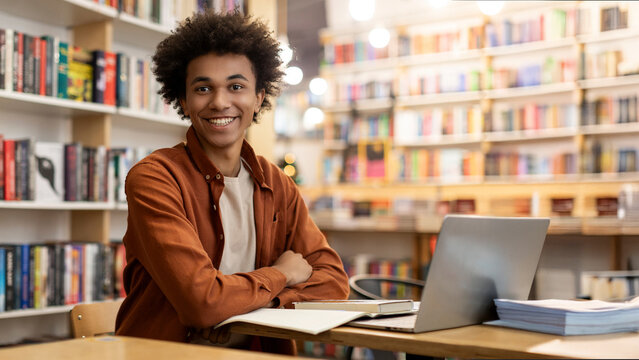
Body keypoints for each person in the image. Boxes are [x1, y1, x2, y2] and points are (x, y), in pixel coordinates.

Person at [114, 10, 350, 355]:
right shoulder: (155, 178)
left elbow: (332, 282)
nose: (220, 102)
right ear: (183, 100)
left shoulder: (278, 185)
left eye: (236, 86)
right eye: (203, 88)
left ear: (258, 98)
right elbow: (202, 302)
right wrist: (280, 275)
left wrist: (262, 305)